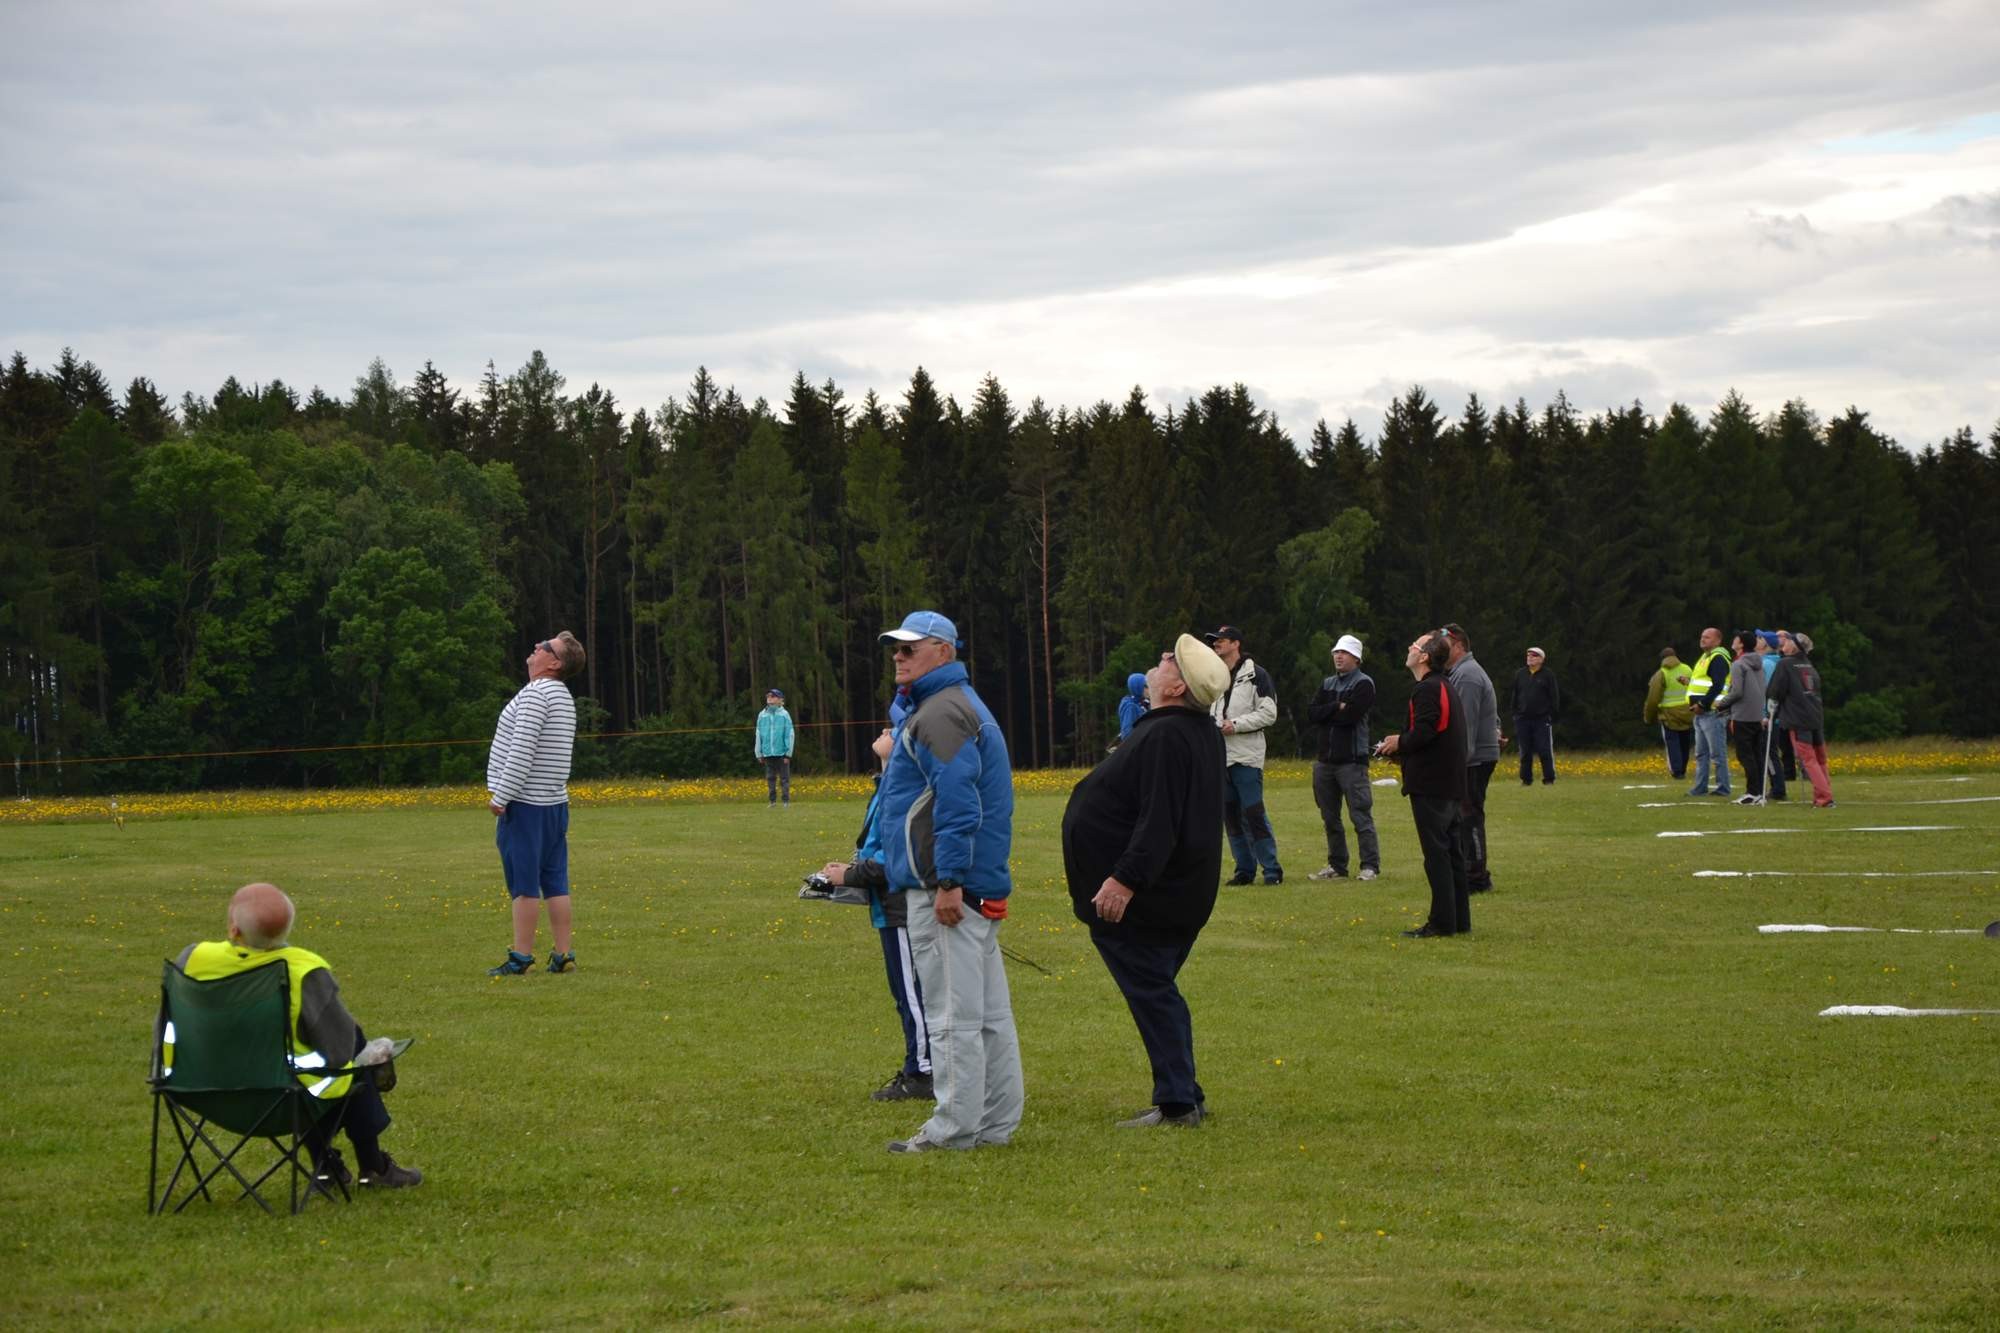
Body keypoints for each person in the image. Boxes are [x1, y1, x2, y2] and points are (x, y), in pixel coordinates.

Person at [1063, 634, 1229, 1128]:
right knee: (1156, 989)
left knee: (1154, 992)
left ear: (1176, 687)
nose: (1159, 662)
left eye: (1168, 661)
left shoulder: (1167, 736)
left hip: (1150, 899)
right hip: (1177, 893)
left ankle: (1178, 1103)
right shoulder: (1190, 731)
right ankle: (1184, 1095)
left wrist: (1124, 880)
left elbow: (1160, 821)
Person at [874, 610, 1023, 1153]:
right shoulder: (953, 704)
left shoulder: (940, 712)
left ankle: (953, 1131)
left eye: (909, 648)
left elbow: (959, 804)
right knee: (988, 1016)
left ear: (943, 651)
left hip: (950, 890)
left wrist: (948, 881)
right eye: (895, 648)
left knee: (952, 1017)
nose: (898, 656)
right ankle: (995, 1123)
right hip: (973, 884)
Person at [175, 882, 422, 1189]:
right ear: (286, 930)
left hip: (199, 1090)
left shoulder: (192, 959)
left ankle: (326, 1168)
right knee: (353, 1048)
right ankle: (372, 1165)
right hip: (281, 1101)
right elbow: (339, 1052)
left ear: (233, 928)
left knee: (322, 1059)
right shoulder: (302, 970)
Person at [817, 726, 931, 1103]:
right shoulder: (887, 785)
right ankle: (920, 1066)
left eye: (893, 729)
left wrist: (850, 876)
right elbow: (877, 846)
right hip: (888, 905)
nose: (884, 730)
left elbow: (896, 856)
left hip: (900, 906)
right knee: (904, 993)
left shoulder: (903, 789)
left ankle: (923, 1073)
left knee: (912, 994)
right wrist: (848, 870)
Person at [486, 631, 584, 976]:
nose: (537, 646)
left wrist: (501, 796)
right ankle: (563, 954)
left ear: (554, 663)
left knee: (524, 885)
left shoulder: (536, 694)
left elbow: (521, 751)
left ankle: (521, 958)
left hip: (526, 805)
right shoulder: (562, 696)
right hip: (555, 804)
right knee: (555, 881)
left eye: (545, 647)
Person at [1375, 633, 1469, 938]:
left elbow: (1426, 731)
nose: (1409, 648)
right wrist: (1401, 752)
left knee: (1437, 855)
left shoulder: (1427, 689)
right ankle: (1458, 920)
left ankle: (1441, 923)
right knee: (1452, 853)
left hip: (1433, 785)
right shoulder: (1443, 685)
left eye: (1414, 645)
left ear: (1425, 656)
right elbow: (1437, 734)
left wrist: (1399, 742)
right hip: (1448, 781)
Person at [1204, 625, 1283, 886]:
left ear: (1236, 643)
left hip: (1246, 757)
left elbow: (1269, 713)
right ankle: (1244, 870)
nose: (1216, 644)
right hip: (1221, 757)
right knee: (1230, 817)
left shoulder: (1257, 675)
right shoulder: (1215, 678)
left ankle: (1271, 870)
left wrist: (1235, 725)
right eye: (1214, 641)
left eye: (1221, 640)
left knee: (1253, 813)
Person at [1304, 633, 1379, 881]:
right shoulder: (1327, 683)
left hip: (1352, 761)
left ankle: (1370, 865)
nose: (1338, 656)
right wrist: (1336, 706)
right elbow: (1312, 713)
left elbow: (1351, 717)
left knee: (1360, 815)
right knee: (1329, 817)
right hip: (1325, 761)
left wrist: (1328, 713)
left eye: (1344, 653)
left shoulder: (1364, 684)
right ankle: (1337, 865)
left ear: (1356, 658)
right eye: (1336, 652)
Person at [1444, 624, 1500, 893]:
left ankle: (1477, 877)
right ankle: (1468, 872)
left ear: (1457, 645)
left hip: (1473, 759)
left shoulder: (1466, 675)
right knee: (1464, 816)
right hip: (1474, 756)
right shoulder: (1462, 672)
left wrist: (1457, 762)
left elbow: (1464, 726)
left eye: (1443, 643)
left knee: (1470, 817)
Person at [1767, 630, 1835, 807]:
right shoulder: (1808, 664)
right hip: (1815, 716)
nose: (1785, 642)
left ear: (1794, 646)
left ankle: (1824, 797)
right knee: (1820, 759)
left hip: (1798, 718)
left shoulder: (1785, 664)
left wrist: (1771, 708)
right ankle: (1824, 794)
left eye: (1789, 640)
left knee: (1808, 759)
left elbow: (1775, 690)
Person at [1713, 631, 1769, 804]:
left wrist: (1721, 704)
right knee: (1756, 754)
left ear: (1741, 644)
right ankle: (1759, 792)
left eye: (1736, 639)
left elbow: (1737, 692)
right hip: (1757, 714)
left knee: (1746, 756)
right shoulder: (1758, 662)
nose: (1733, 641)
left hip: (1742, 716)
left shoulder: (1738, 664)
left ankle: (1752, 792)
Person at [1685, 627, 1734, 797]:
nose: (1702, 639)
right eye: (1702, 636)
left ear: (1718, 641)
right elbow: (1704, 683)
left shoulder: (1718, 658)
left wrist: (1702, 704)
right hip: (1701, 713)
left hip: (1712, 712)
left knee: (1717, 753)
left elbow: (1718, 685)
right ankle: (1700, 787)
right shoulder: (1705, 657)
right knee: (1701, 754)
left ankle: (1723, 788)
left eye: (1707, 637)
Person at [1511, 646, 1560, 785]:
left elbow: (1554, 696)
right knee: (1525, 751)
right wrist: (1515, 713)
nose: (1530, 658)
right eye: (1528, 655)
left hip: (1541, 719)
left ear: (1541, 659)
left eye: (1534, 655)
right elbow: (1515, 694)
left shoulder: (1548, 675)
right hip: (1522, 719)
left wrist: (1551, 714)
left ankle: (1549, 779)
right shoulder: (1520, 674)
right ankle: (1526, 780)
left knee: (1544, 750)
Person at [1643, 647, 1694, 779]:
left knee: (1672, 743)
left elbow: (1653, 699)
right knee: (1684, 742)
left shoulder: (1662, 673)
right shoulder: (1687, 669)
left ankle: (1676, 771)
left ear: (1662, 659)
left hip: (1669, 714)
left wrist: (1648, 717)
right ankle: (1683, 769)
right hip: (1687, 711)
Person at [1755, 630, 1793, 799]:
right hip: (1773, 715)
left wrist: (1765, 714)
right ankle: (1776, 787)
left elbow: (1769, 692)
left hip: (1768, 717)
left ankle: (1778, 789)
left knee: (1768, 754)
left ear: (1766, 644)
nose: (1756, 640)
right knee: (1769, 752)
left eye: (1759, 638)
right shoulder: (1774, 662)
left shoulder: (1767, 664)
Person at [755, 687, 795, 807]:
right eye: (768, 696)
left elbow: (789, 734)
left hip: (782, 753)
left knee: (784, 779)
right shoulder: (762, 715)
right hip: (767, 753)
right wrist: (759, 753)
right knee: (770, 778)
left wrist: (788, 753)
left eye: (773, 696)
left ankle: (785, 801)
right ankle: (772, 802)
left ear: (780, 700)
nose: (769, 698)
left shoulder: (784, 715)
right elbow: (758, 734)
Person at [1116, 672, 1147, 743]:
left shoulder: (1142, 703)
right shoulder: (1130, 707)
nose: (1149, 689)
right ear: (1137, 687)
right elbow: (1127, 735)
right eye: (1146, 686)